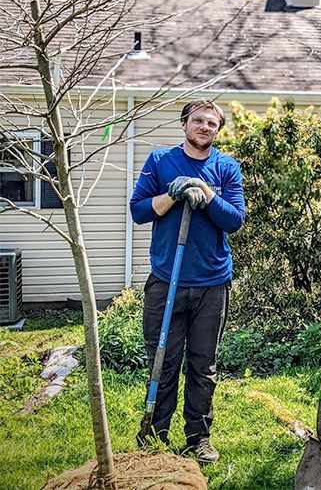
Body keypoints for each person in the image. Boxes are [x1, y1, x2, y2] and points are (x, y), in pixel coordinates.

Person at [130, 99, 245, 463]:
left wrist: (206, 193)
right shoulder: (161, 162)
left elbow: (234, 221)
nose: (204, 127)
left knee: (203, 366)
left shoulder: (226, 168)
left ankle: (198, 436)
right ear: (184, 124)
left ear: (217, 130)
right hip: (166, 281)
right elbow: (138, 210)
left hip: (212, 283)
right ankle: (154, 434)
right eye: (198, 120)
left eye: (212, 123)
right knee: (162, 361)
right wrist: (173, 195)